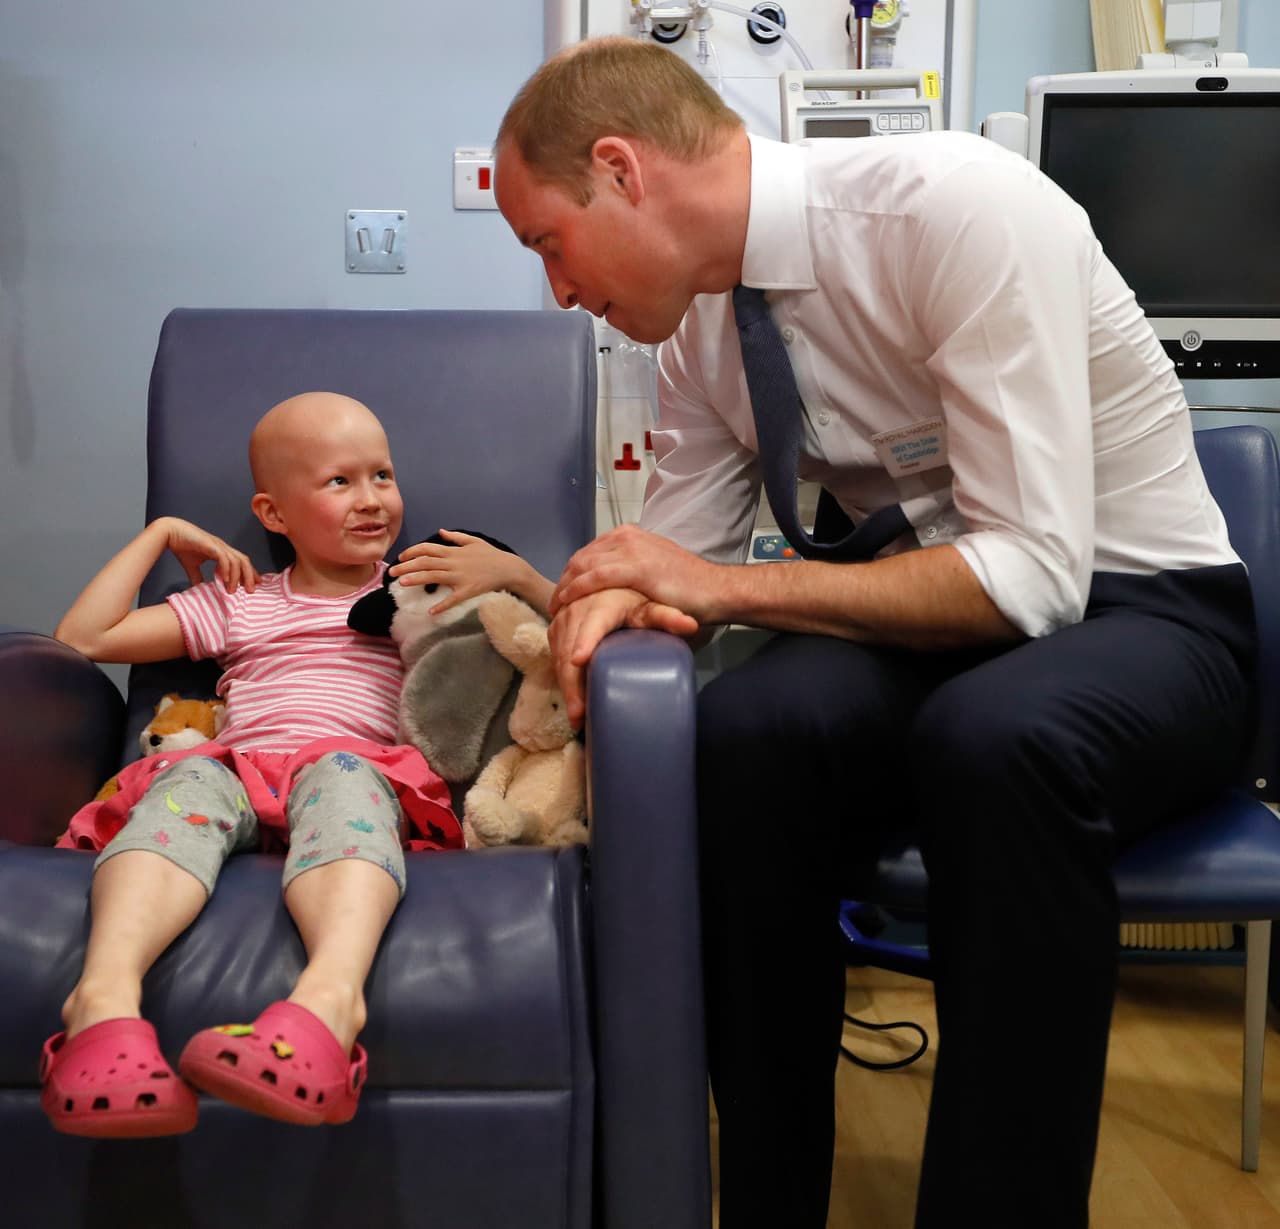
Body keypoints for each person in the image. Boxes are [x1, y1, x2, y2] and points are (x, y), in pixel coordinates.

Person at [492, 36, 1257, 1229]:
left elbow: (1033, 578)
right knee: (743, 730)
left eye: (548, 242)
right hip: (954, 634)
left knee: (995, 737)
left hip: (1143, 611)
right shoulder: (702, 329)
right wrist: (588, 620)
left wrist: (722, 589)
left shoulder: (952, 210)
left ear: (621, 171)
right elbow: (668, 577)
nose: (557, 289)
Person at [41, 390, 542, 1139]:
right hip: (234, 763)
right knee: (181, 787)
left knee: (345, 780)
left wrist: (520, 576)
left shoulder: (419, 595)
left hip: (350, 764)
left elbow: (549, 643)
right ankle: (103, 1004)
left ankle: (327, 1007)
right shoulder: (241, 601)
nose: (372, 499)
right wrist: (161, 534)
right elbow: (83, 637)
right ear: (273, 514)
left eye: (383, 475)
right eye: (339, 481)